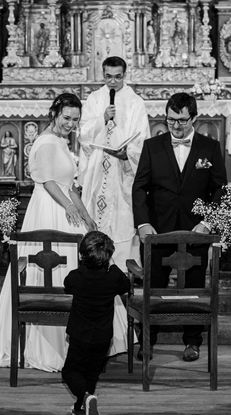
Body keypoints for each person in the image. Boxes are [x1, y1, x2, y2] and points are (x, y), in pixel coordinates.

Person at [0, 93, 133, 372]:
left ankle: (76, 340)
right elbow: (48, 182)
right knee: (53, 265)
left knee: (72, 265)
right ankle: (50, 345)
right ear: (54, 114)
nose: (71, 124)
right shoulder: (45, 142)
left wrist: (86, 217)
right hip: (48, 210)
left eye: (75, 120)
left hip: (63, 206)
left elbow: (70, 186)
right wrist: (69, 209)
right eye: (67, 118)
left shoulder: (62, 142)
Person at [132, 92, 227, 362]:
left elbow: (219, 189)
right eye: (171, 120)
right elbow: (140, 187)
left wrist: (207, 222)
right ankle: (148, 341)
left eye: (182, 121)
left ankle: (193, 341)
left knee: (194, 288)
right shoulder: (152, 146)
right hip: (158, 230)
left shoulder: (209, 148)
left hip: (195, 230)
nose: (175, 126)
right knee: (154, 286)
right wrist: (143, 223)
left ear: (194, 118)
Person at [79, 56, 150, 270]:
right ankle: (92, 266)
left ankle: (120, 269)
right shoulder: (94, 98)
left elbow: (142, 138)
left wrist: (128, 153)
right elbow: (82, 134)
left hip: (123, 168)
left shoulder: (135, 101)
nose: (113, 82)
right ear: (103, 74)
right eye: (108, 77)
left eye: (117, 77)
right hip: (98, 166)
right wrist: (102, 118)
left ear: (124, 75)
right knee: (95, 212)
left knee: (123, 217)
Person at [62, 231, 131, 415]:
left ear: (81, 255)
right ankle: (81, 408)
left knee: (69, 372)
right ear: (108, 256)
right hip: (102, 336)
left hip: (79, 334)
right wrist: (114, 265)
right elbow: (126, 286)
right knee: (91, 373)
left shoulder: (76, 276)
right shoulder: (114, 277)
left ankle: (85, 398)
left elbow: (67, 286)